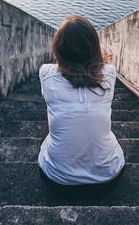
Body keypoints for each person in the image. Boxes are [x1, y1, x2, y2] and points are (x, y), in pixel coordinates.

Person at [37, 14, 125, 197]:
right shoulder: (109, 73)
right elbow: (99, 66)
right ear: (94, 46)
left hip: (57, 180)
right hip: (107, 179)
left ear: (58, 48)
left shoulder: (46, 74)